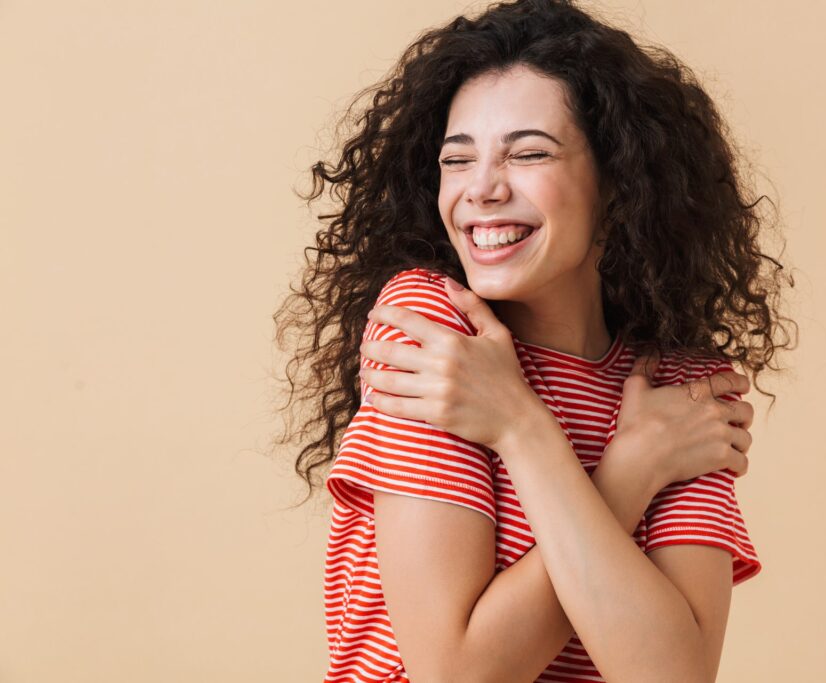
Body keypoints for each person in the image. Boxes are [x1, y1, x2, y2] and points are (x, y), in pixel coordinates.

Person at [273, 0, 797, 681]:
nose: (481, 189)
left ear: (618, 184)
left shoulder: (681, 388)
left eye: (527, 153)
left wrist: (522, 429)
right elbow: (455, 673)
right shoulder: (435, 327)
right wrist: (621, 469)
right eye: (457, 160)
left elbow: (673, 676)